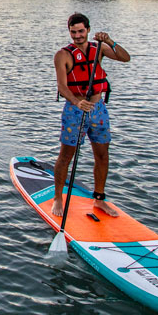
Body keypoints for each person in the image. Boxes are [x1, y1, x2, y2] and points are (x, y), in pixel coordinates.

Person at [50, 12, 131, 218]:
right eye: (73, 32)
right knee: (66, 156)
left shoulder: (99, 49)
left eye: (81, 31)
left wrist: (110, 41)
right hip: (75, 110)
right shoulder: (63, 55)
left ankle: (99, 199)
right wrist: (77, 102)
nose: (77, 36)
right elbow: (62, 86)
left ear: (88, 29)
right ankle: (58, 197)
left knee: (102, 155)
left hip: (99, 109)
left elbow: (125, 58)